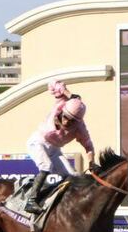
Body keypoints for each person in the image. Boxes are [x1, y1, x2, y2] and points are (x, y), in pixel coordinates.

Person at [24, 81, 96, 214]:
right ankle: (31, 200)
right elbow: (52, 84)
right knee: (46, 166)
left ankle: (62, 203)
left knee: (72, 176)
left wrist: (91, 163)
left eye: (72, 120)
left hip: (55, 149)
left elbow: (88, 146)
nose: (67, 122)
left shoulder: (80, 128)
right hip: (38, 142)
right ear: (63, 111)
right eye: (66, 117)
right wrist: (69, 94)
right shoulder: (61, 104)